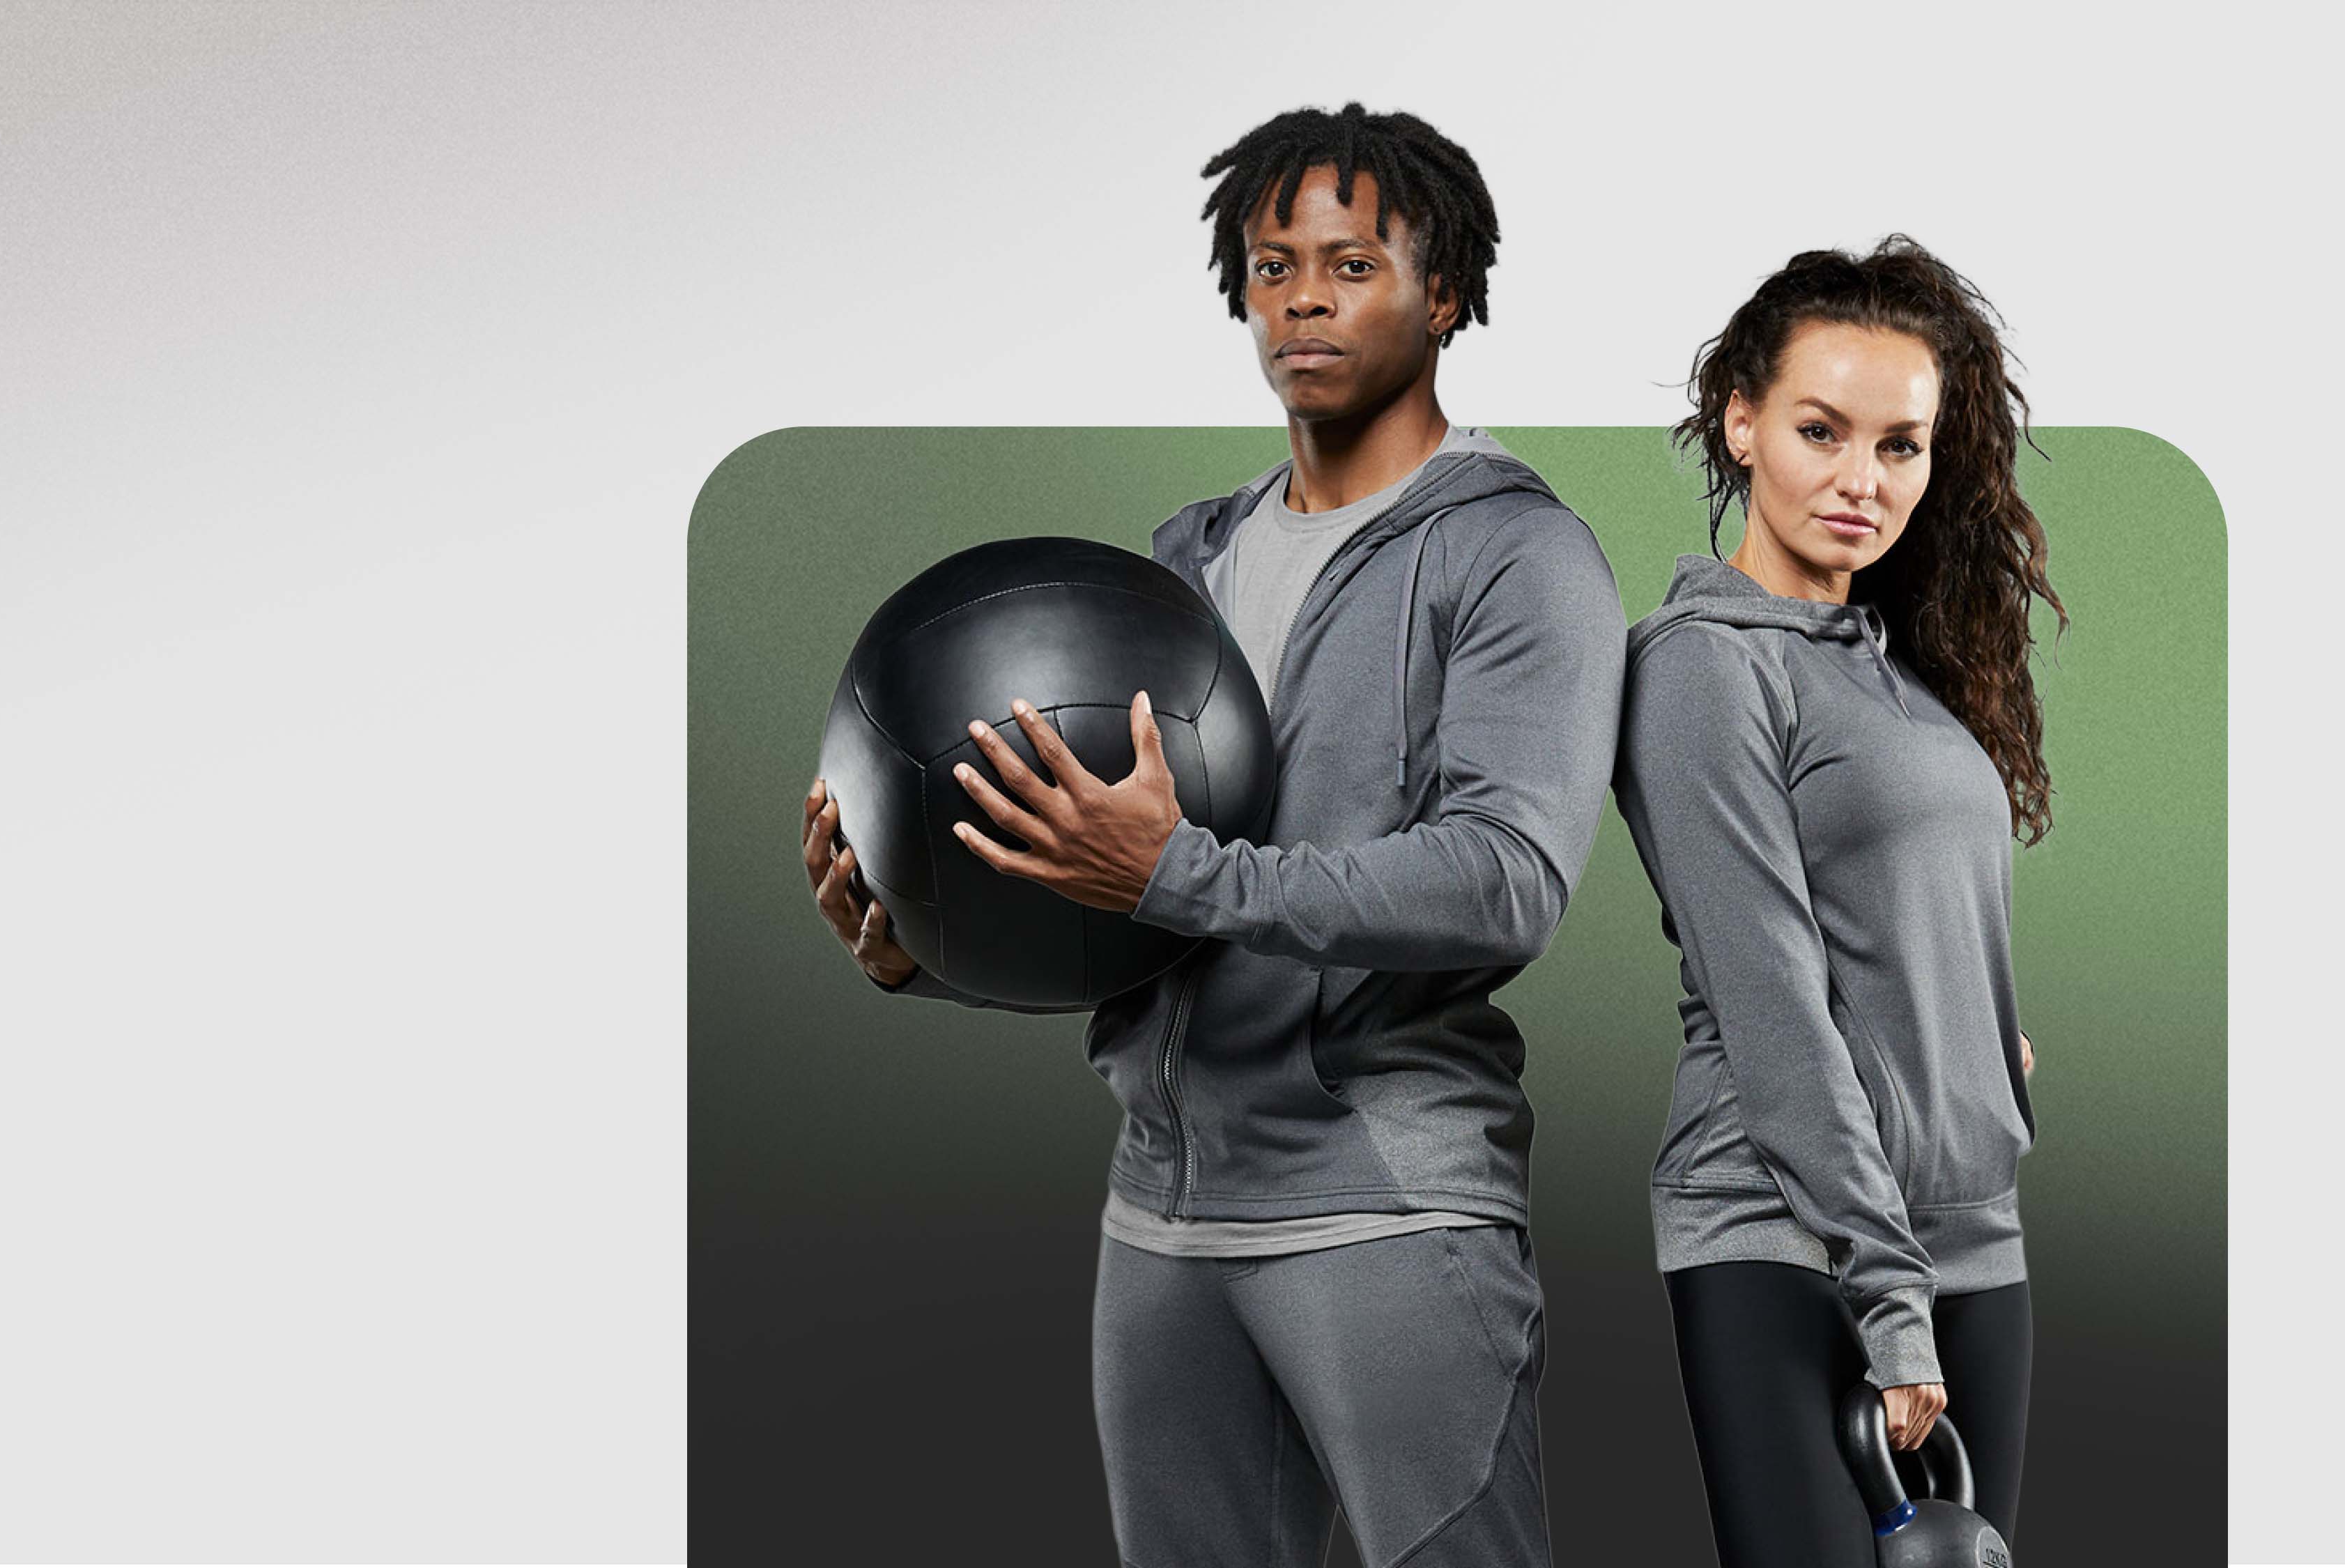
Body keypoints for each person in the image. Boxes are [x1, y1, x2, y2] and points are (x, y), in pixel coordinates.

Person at [799, 104, 1625, 1567]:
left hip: (1387, 1216)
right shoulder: (1187, 558)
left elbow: (1510, 880)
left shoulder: (1517, 554)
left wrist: (1176, 868)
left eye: (1352, 262)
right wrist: (924, 947)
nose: (1301, 295)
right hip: (1164, 1217)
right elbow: (1130, 920)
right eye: (1270, 263)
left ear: (1444, 297)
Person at [1613, 236, 2058, 1565]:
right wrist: (1892, 1300)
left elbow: (1925, 927)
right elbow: (1775, 1008)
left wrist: (1981, 1059)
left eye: (1901, 446)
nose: (1864, 480)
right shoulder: (1701, 670)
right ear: (1740, 422)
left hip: (1975, 1236)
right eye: (1822, 429)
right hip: (1785, 1239)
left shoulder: (1904, 675)